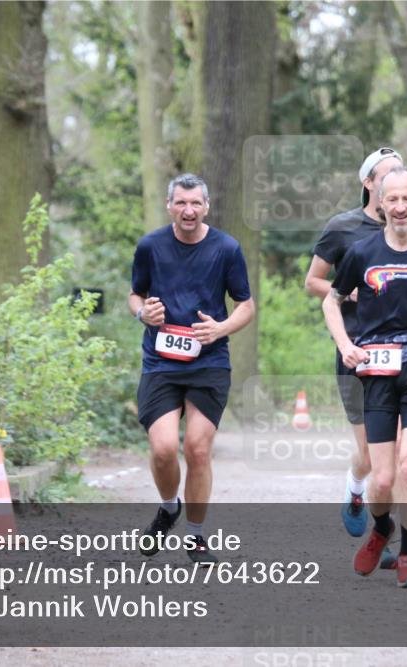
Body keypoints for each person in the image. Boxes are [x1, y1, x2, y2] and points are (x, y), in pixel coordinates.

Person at [323, 167, 407, 588]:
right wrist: (346, 344)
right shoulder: (361, 254)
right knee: (381, 479)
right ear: (380, 204)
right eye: (393, 200)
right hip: (377, 370)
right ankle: (382, 527)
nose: (400, 207)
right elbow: (331, 302)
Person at [304, 147, 407, 542]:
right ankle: (356, 489)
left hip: (406, 353)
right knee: (368, 455)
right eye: (386, 175)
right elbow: (313, 283)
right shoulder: (342, 228)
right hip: (357, 351)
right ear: (368, 183)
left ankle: (394, 541)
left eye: (401, 174)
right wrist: (351, 292)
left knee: (397, 458)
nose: (395, 180)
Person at [129, 173, 255, 565]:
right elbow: (136, 295)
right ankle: (169, 508)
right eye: (181, 203)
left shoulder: (227, 248)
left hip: (209, 361)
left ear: (206, 206)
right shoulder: (150, 246)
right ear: (169, 206)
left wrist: (220, 328)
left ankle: (197, 537)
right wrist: (142, 314)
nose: (188, 210)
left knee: (197, 449)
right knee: (164, 448)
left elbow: (246, 306)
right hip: (161, 361)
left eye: (195, 203)